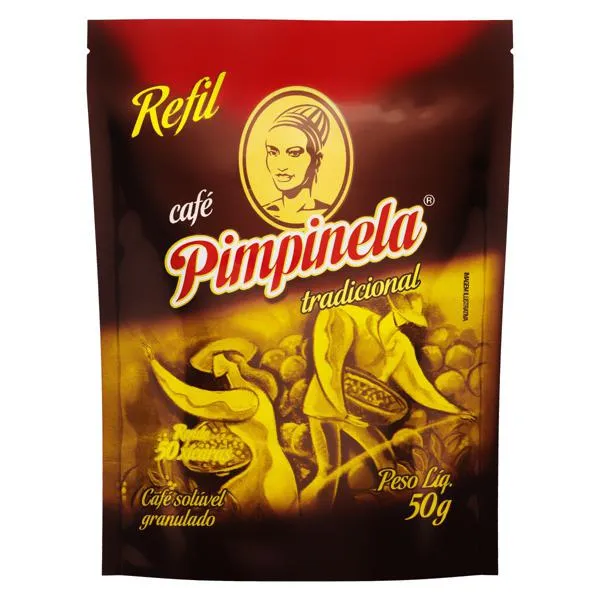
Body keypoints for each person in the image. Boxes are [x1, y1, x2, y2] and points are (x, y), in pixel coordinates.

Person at [301, 294, 473, 510]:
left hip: (355, 410)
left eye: (409, 322)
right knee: (329, 471)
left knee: (386, 459)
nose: (405, 326)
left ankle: (391, 513)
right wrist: (341, 410)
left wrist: (453, 410)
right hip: (325, 403)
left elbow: (418, 387)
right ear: (392, 313)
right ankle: (302, 516)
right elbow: (329, 366)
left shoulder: (399, 344)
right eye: (403, 319)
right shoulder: (346, 317)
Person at [145, 338, 299, 518]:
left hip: (272, 480)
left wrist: (156, 367)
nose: (211, 365)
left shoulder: (248, 398)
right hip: (258, 475)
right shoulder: (247, 393)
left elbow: (190, 399)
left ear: (229, 360)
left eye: (214, 357)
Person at [263, 104, 330, 225]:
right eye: (273, 152)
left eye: (294, 153)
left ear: (317, 161)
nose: (281, 166)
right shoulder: (265, 211)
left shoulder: (326, 212)